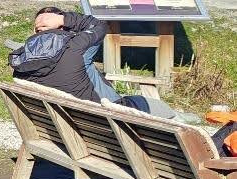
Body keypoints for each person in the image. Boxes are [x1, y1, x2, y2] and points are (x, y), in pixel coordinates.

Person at [11, 6, 169, 116]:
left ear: (35, 30)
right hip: (110, 119)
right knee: (168, 113)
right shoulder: (76, 48)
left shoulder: (20, 63)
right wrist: (63, 18)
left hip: (63, 127)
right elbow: (99, 25)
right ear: (63, 27)